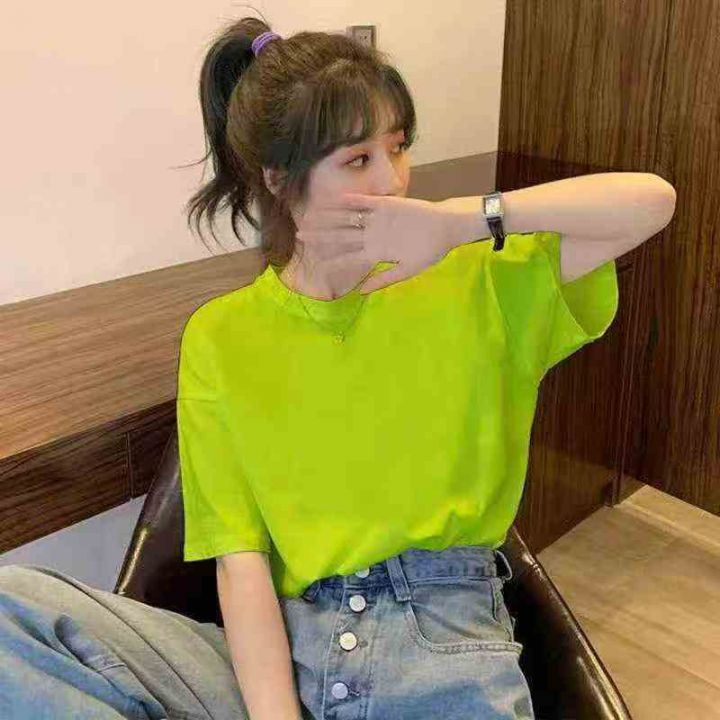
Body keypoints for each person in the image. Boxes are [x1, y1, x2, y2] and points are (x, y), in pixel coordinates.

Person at [0, 13, 628, 720]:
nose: (394, 180)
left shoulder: (474, 279)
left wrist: (460, 221)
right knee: (12, 611)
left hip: (437, 642)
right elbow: (241, 564)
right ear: (279, 178)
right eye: (358, 159)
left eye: (398, 147)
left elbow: (647, 204)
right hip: (279, 658)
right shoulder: (223, 336)